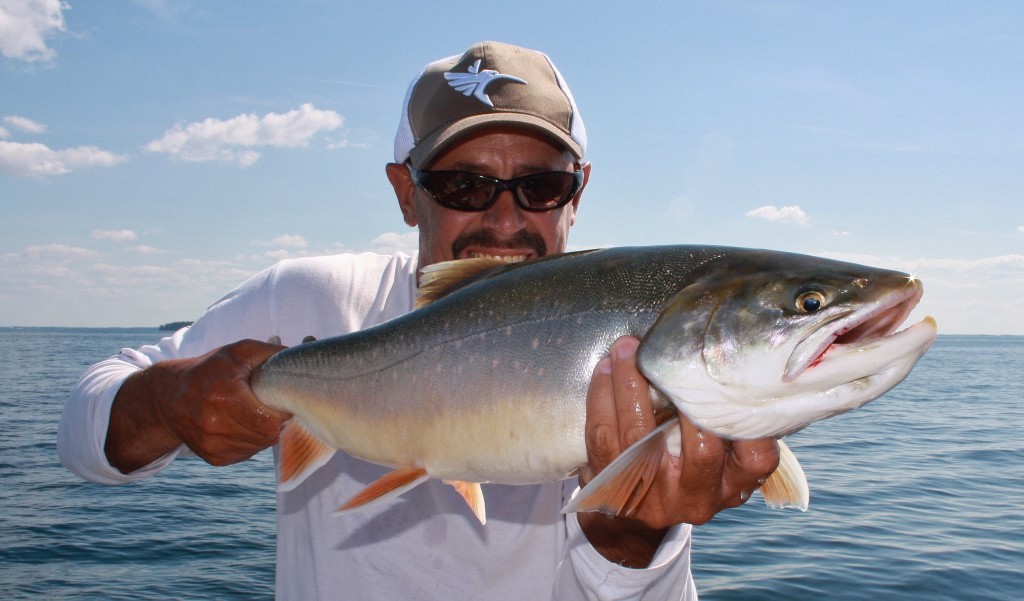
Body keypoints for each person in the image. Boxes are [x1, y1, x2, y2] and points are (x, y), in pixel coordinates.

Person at [58, 41, 779, 600]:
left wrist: (633, 537)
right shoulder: (309, 302)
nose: (505, 219)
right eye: (463, 185)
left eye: (539, 185)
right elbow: (82, 438)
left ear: (577, 192)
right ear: (407, 192)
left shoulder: (624, 342)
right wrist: (168, 401)